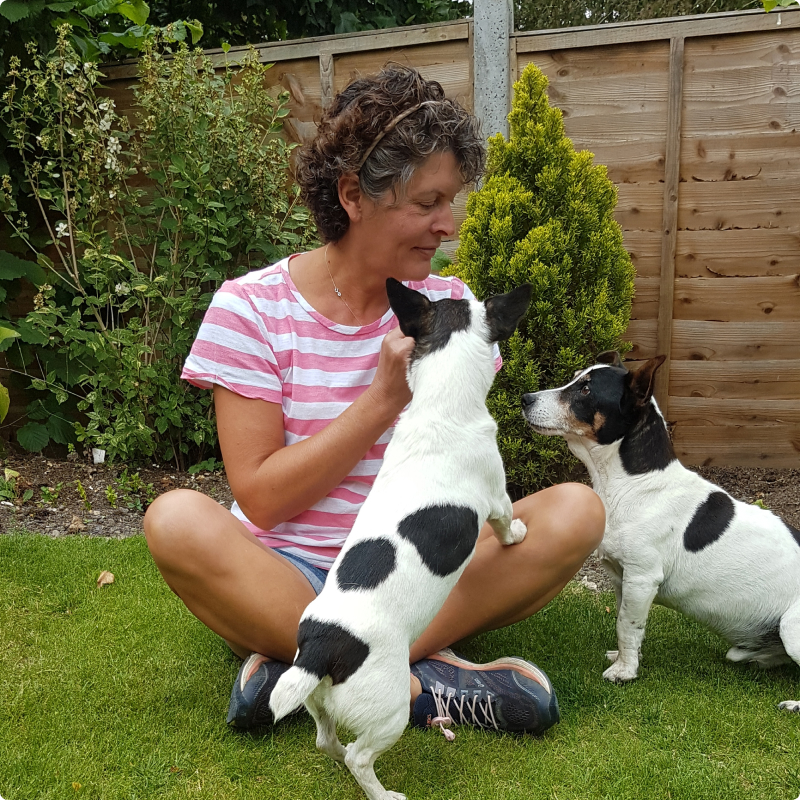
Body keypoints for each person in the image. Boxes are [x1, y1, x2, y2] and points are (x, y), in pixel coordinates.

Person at [143, 64, 605, 737]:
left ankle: (307, 664)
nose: (447, 226)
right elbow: (264, 497)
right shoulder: (249, 309)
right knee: (175, 521)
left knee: (576, 512)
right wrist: (383, 400)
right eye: (427, 203)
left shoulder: (455, 310)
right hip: (287, 571)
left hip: (415, 565)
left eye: (451, 203)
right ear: (355, 194)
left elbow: (460, 463)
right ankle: (424, 681)